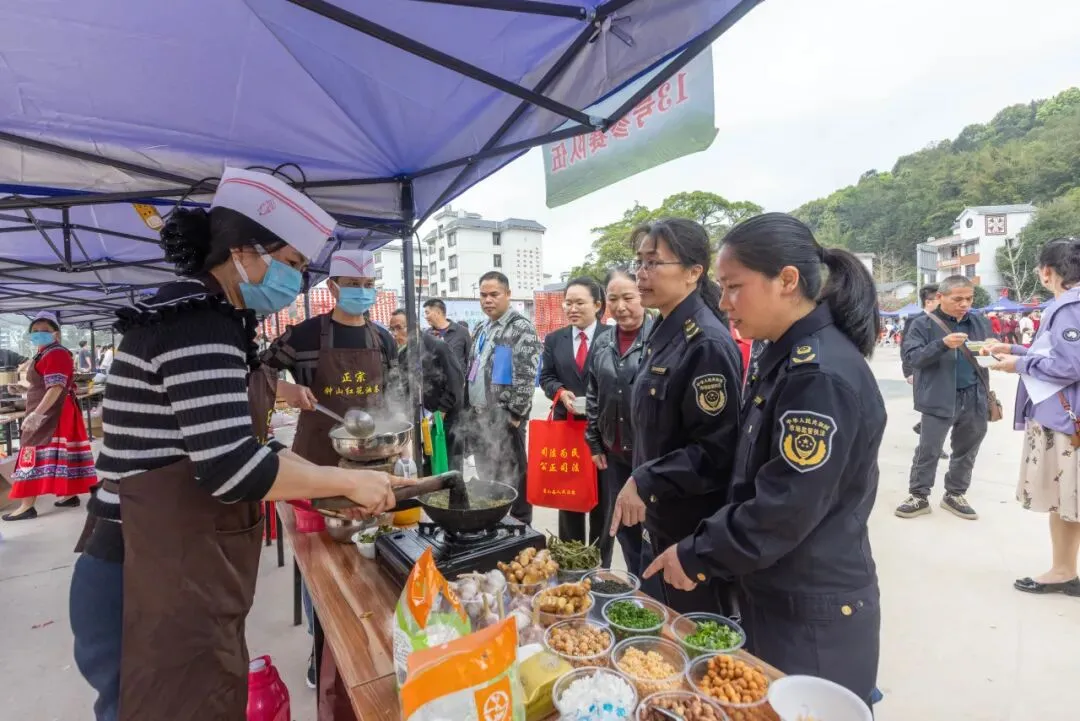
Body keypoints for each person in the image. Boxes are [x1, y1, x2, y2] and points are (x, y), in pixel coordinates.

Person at [68, 167, 409, 721]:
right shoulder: (197, 322)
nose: (296, 281)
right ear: (246, 252)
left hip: (173, 562)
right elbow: (231, 466)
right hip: (144, 574)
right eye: (293, 265)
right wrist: (347, 479)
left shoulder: (212, 316)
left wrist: (337, 484)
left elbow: (252, 447)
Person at [646, 212, 884, 707]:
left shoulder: (816, 374)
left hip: (812, 611)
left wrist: (697, 553)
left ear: (787, 281)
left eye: (734, 287)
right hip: (778, 590)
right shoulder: (783, 353)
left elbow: (785, 504)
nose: (725, 302)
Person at [608, 218, 743, 614]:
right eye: (640, 263)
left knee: (686, 633)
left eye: (654, 263)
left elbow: (716, 451)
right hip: (660, 514)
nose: (642, 274)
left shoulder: (706, 343)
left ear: (693, 272)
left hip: (690, 529)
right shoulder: (663, 329)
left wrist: (647, 478)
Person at [985, 237, 1080, 596]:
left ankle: (1063, 570)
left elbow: (1069, 364)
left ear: (1047, 272)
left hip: (1066, 420)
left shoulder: (1070, 307)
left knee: (1068, 497)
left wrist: (1018, 364)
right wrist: (1013, 349)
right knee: (1069, 500)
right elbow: (1056, 352)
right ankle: (1064, 568)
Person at [262, 249, 398, 466]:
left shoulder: (384, 339)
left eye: (369, 285)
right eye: (353, 284)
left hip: (373, 455)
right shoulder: (302, 335)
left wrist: (402, 450)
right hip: (317, 456)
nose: (362, 291)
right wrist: (282, 388)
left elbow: (395, 395)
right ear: (332, 288)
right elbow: (253, 372)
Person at [897, 275, 992, 520]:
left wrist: (994, 349)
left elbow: (989, 354)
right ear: (940, 297)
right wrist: (942, 344)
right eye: (957, 298)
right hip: (938, 395)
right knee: (928, 449)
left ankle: (955, 494)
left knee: (967, 448)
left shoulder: (978, 321)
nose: (964, 304)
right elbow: (913, 358)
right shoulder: (922, 324)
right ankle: (918, 495)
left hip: (974, 394)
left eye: (969, 299)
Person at [1, 312, 96, 522]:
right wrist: (22, 391)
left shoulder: (56, 353)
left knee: (31, 451)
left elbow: (55, 387)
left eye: (44, 331)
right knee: (63, 451)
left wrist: (37, 414)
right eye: (35, 331)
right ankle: (69, 495)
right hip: (53, 409)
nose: (38, 334)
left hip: (53, 412)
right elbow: (44, 383)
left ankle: (26, 506)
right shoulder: (43, 353)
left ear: (56, 334)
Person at [464, 271, 542, 524]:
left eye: (494, 294)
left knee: (515, 474)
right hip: (480, 414)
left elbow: (527, 373)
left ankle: (521, 524)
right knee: (488, 472)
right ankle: (493, 520)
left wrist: (516, 414)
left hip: (506, 417)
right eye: (483, 295)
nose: (488, 300)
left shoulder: (520, 327)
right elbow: (473, 367)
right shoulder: (481, 327)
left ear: (508, 294)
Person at [585, 269, 650, 573]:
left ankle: (652, 594)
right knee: (624, 528)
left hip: (649, 456)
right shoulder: (603, 342)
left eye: (628, 297)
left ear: (643, 298)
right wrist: (595, 441)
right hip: (615, 454)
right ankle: (638, 587)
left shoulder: (660, 338)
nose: (621, 306)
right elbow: (594, 394)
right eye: (613, 299)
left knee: (651, 531)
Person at [540, 277, 611, 545]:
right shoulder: (554, 339)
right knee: (568, 493)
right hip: (567, 425)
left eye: (579, 302)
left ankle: (599, 560)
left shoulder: (611, 337)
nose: (572, 308)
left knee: (602, 496)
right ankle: (571, 556)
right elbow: (545, 377)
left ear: (597, 305)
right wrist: (560, 391)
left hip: (603, 429)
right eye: (568, 302)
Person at [390, 308, 465, 473]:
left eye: (399, 327)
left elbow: (456, 382)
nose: (395, 333)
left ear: (415, 325)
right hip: (423, 418)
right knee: (429, 464)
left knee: (448, 465)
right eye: (392, 329)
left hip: (444, 418)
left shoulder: (437, 346)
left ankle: (452, 497)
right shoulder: (403, 353)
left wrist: (442, 411)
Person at [903, 284, 948, 460]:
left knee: (943, 409)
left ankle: (927, 433)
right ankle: (929, 445)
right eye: (940, 298)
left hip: (943, 372)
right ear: (929, 301)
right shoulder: (915, 321)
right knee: (931, 408)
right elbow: (905, 349)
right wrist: (908, 372)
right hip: (922, 371)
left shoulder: (947, 320)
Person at [424, 298, 471, 381]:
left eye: (427, 313)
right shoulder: (426, 335)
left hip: (459, 387)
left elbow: (470, 359)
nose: (425, 317)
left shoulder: (462, 332)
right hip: (436, 387)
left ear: (437, 312)